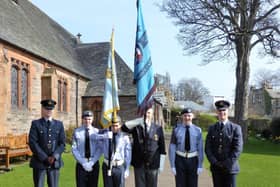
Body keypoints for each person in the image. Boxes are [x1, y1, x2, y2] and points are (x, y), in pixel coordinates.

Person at [121, 106, 166, 187]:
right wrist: (138, 121)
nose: (146, 114)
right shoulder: (137, 127)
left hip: (153, 163)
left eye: (148, 113)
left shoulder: (158, 128)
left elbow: (162, 148)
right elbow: (123, 128)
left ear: (152, 114)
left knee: (152, 185)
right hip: (139, 163)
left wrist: (161, 165)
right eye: (145, 112)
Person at [205, 100, 243, 187]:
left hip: (230, 168)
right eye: (220, 110)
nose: (222, 112)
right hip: (216, 168)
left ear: (228, 111)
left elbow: (238, 149)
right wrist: (214, 162)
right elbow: (208, 148)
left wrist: (227, 163)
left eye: (224, 110)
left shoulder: (235, 128)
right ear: (217, 112)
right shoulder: (212, 128)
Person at [29, 99, 66, 187]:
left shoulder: (59, 124)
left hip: (54, 162)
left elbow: (62, 143)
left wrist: (54, 156)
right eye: (47, 108)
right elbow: (33, 142)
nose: (49, 110)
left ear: (53, 110)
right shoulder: (36, 124)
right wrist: (45, 158)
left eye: (51, 109)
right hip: (39, 161)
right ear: (42, 109)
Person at [72, 110, 109, 187]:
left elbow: (99, 149)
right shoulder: (77, 132)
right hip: (81, 164)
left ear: (92, 120)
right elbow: (74, 149)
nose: (87, 121)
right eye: (85, 119)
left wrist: (92, 162)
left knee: (93, 185)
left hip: (94, 163)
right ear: (82, 119)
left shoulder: (97, 131)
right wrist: (83, 162)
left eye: (89, 119)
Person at [169, 108, 204, 187]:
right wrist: (172, 165)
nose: (187, 118)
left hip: (193, 160)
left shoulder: (198, 130)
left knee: (193, 184)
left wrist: (200, 165)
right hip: (180, 160)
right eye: (185, 116)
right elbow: (172, 147)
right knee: (180, 184)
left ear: (193, 116)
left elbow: (200, 148)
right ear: (182, 117)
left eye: (189, 116)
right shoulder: (176, 130)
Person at [102, 115, 132, 187]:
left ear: (120, 125)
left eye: (116, 125)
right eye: (113, 126)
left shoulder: (124, 137)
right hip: (107, 165)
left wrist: (127, 168)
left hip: (119, 167)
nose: (114, 128)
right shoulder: (105, 135)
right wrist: (104, 135)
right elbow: (94, 137)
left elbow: (128, 155)